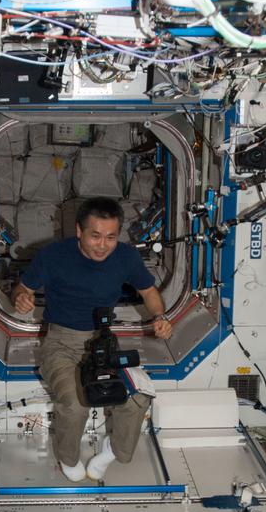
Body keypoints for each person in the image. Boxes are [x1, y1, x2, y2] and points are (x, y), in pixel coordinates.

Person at [13, 196, 173, 482]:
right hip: (61, 343)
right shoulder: (53, 256)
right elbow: (22, 289)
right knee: (74, 406)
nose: (103, 245)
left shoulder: (126, 257)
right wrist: (22, 298)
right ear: (79, 231)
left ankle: (114, 450)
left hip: (102, 342)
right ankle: (67, 458)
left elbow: (149, 293)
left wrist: (161, 317)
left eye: (111, 237)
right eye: (95, 236)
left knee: (138, 399)